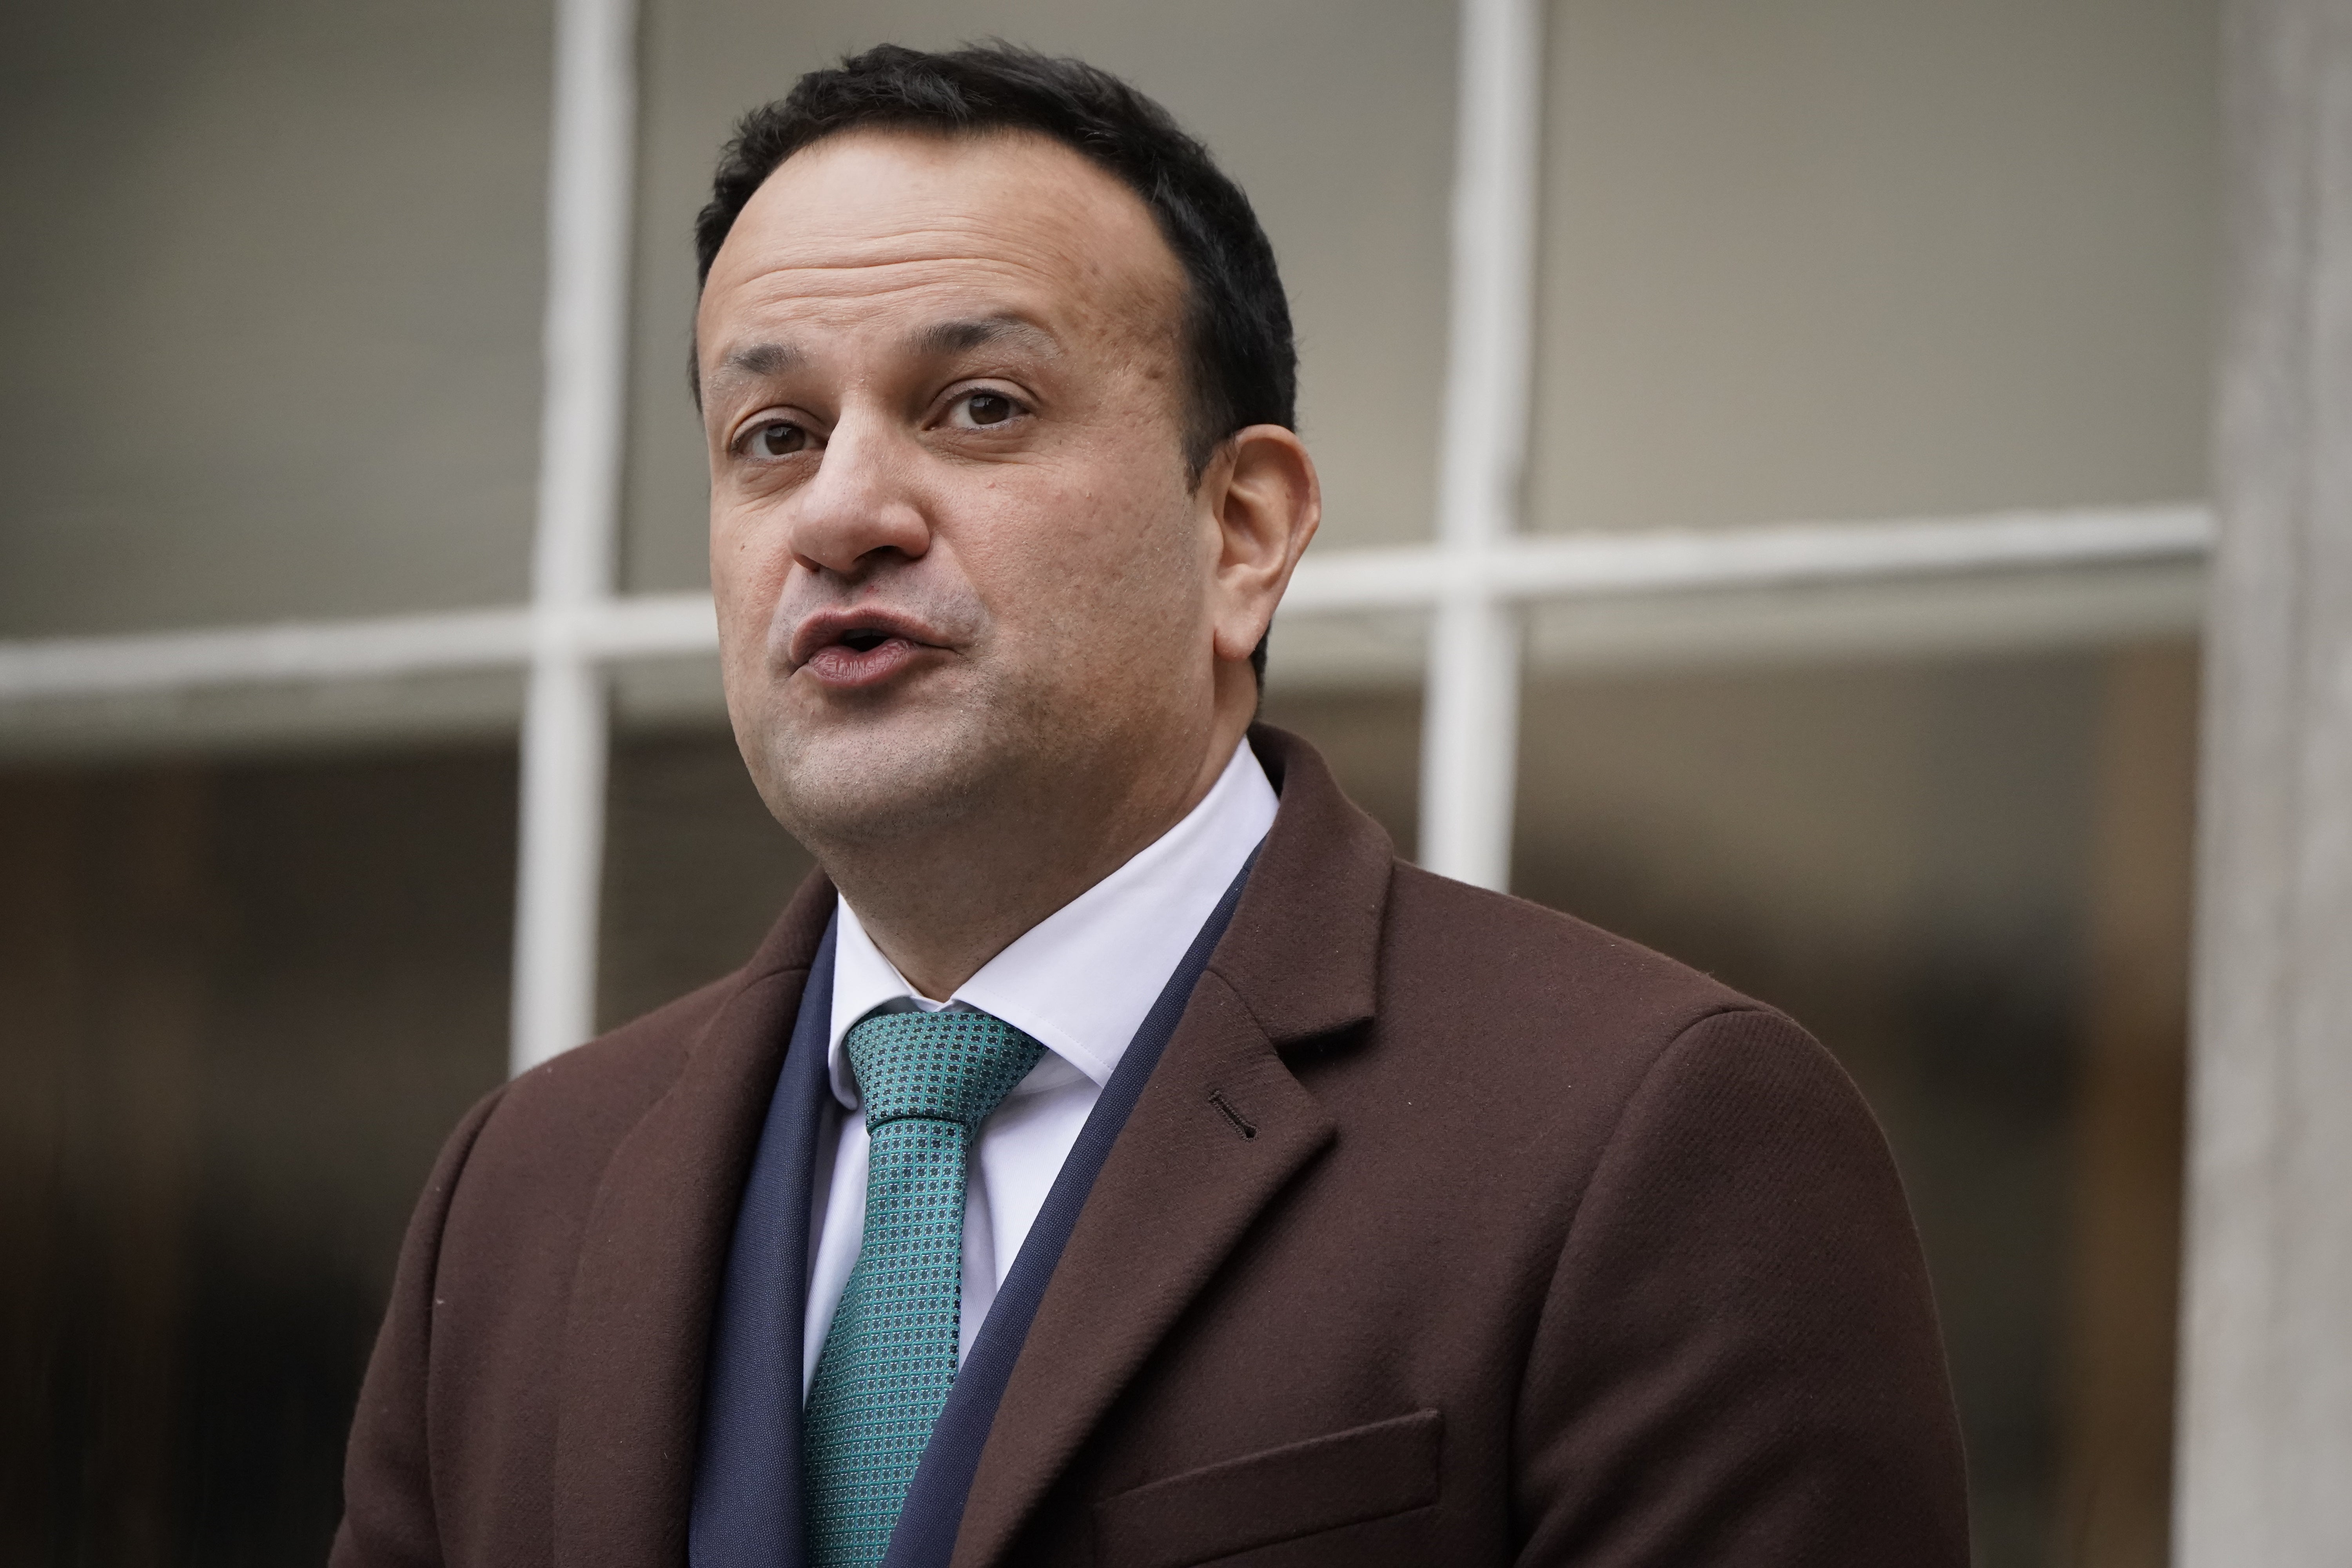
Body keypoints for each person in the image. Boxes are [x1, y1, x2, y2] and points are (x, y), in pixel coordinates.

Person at [333, 43, 1968, 1568]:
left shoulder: (1653, 1140)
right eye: (774, 435)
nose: (841, 510)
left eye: (978, 405)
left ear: (1244, 529)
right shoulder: (519, 1191)